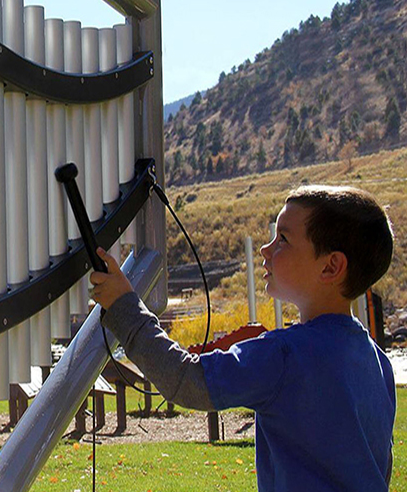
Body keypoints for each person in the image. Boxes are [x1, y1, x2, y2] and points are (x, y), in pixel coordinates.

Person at [90, 185, 396, 492]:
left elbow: (185, 380)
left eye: (283, 239)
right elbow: (379, 466)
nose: (265, 249)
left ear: (331, 266)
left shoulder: (284, 355)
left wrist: (124, 306)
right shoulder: (379, 363)